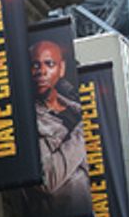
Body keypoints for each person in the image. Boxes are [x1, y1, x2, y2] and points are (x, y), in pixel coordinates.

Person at [29, 39, 89, 203]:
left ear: (61, 69)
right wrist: (85, 131)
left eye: (49, 64)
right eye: (35, 65)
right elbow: (47, 180)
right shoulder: (30, 120)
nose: (41, 71)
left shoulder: (77, 110)